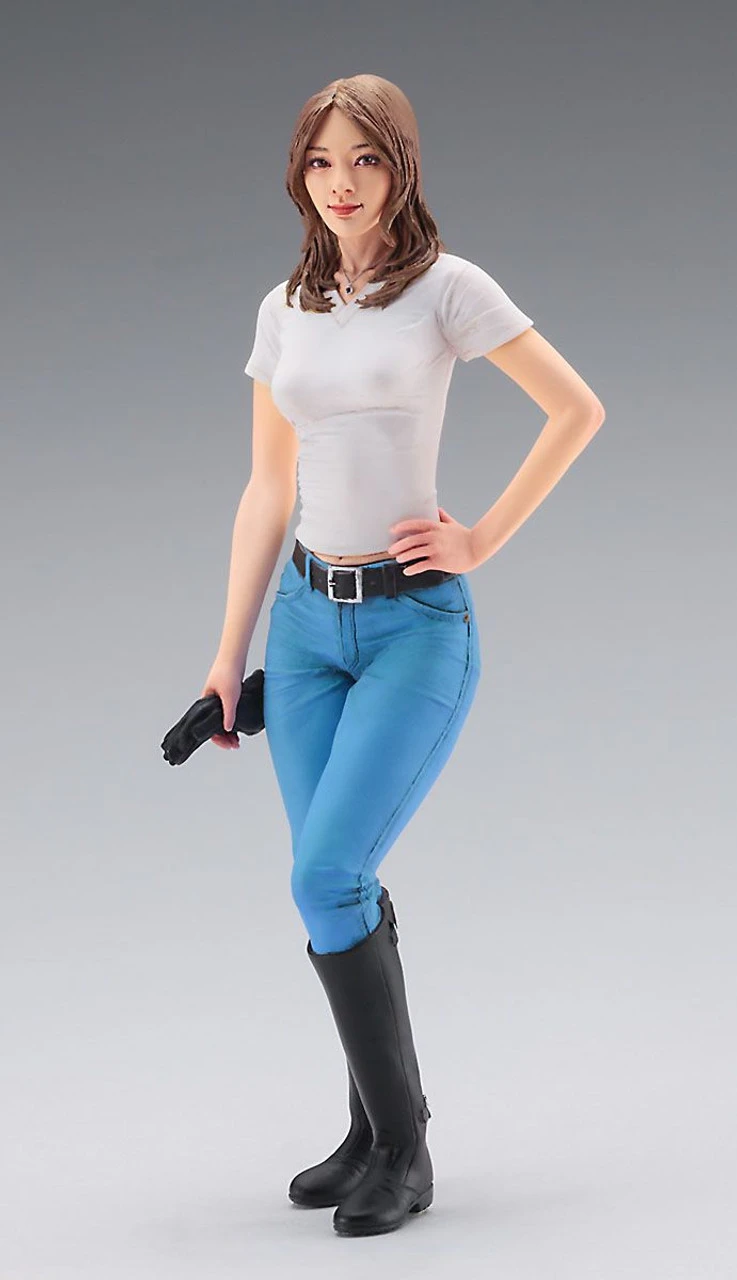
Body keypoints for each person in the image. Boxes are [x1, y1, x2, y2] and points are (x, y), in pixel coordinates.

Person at [200, 74, 605, 1238]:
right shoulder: (283, 308)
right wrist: (226, 657)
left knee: (325, 873)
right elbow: (266, 486)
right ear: (299, 172)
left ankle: (406, 1149)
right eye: (322, 160)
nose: (342, 183)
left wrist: (480, 537)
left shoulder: (445, 289)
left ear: (402, 167)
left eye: (366, 159)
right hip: (302, 626)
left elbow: (574, 409)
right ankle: (373, 1128)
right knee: (337, 879)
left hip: (412, 625)